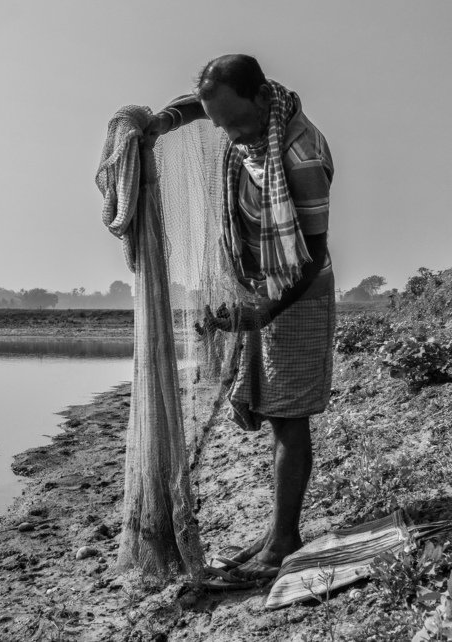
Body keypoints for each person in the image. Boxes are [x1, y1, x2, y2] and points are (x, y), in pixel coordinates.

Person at [144, 54, 336, 581]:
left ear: (260, 98)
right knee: (274, 413)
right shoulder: (248, 127)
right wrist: (164, 122)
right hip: (261, 291)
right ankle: (279, 530)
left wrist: (263, 311)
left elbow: (313, 255)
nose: (227, 133)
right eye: (218, 122)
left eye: (234, 121)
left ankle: (284, 542)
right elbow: (202, 109)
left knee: (289, 419)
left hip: (298, 298)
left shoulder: (298, 153)